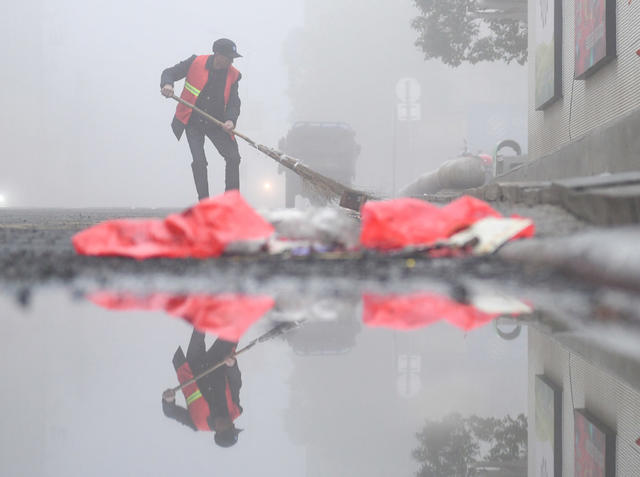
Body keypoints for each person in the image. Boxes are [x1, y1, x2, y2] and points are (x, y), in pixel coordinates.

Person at [160, 38, 243, 201]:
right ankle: (204, 202)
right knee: (199, 161)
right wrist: (168, 84)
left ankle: (231, 202)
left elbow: (234, 102)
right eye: (229, 57)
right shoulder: (195, 62)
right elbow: (169, 73)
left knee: (233, 157)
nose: (231, 61)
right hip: (193, 121)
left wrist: (231, 121)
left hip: (217, 123)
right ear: (217, 55)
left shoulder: (233, 75)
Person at [162, 330, 243, 447]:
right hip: (219, 361)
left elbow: (171, 412)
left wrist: (168, 401)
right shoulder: (235, 410)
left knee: (200, 326)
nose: (233, 424)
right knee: (234, 329)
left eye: (230, 427)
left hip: (194, 365)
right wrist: (232, 365)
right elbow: (236, 382)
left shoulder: (197, 422)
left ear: (219, 431)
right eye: (233, 426)